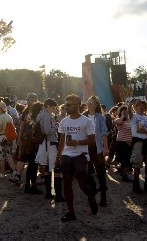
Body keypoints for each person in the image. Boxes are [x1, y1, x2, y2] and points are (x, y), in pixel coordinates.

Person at [56, 94, 98, 222]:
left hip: (81, 155)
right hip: (67, 156)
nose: (66, 107)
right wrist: (58, 156)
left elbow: (92, 140)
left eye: (69, 105)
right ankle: (71, 212)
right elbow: (62, 139)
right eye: (65, 104)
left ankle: (90, 196)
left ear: (78, 105)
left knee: (82, 184)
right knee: (67, 185)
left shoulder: (86, 121)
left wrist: (77, 143)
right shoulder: (64, 121)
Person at [35, 98, 62, 201]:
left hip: (45, 144)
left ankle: (49, 193)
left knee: (46, 169)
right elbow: (47, 131)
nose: (53, 109)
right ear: (47, 106)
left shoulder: (42, 115)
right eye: (52, 107)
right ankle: (58, 195)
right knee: (55, 168)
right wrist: (56, 126)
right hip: (50, 144)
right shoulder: (46, 116)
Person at [128, 99, 147, 194]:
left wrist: (146, 132)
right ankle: (136, 186)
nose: (141, 107)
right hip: (137, 142)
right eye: (139, 105)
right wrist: (130, 104)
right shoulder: (133, 116)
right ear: (135, 107)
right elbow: (129, 112)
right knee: (137, 164)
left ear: (145, 108)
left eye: (143, 106)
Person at [84, 96, 109, 206]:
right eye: (88, 102)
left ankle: (103, 197)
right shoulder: (83, 117)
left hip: (97, 147)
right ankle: (93, 189)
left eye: (91, 103)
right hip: (85, 148)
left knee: (101, 173)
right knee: (87, 172)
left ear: (96, 105)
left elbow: (104, 133)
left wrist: (105, 147)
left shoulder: (100, 117)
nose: (89, 104)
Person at [0, 101, 17, 178]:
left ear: (0, 108)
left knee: (1, 157)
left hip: (1, 138)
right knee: (9, 155)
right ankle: (15, 171)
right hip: (8, 138)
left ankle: (2, 173)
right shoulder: (9, 116)